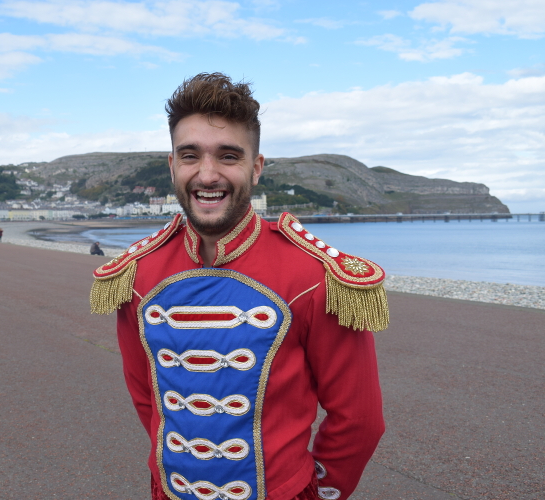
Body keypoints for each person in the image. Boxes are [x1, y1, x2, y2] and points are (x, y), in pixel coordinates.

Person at [90, 73, 389, 500]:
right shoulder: (136, 276)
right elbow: (148, 400)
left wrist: (313, 492)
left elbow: (359, 419)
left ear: (256, 166)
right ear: (173, 166)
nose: (207, 174)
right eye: (190, 155)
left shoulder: (314, 276)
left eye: (228, 156)